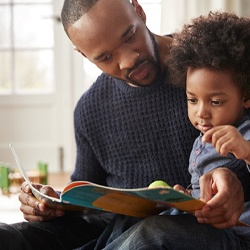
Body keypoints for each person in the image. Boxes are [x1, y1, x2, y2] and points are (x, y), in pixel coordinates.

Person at [0, 1, 249, 249]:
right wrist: (49, 205)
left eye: (129, 36)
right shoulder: (91, 109)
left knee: (151, 232)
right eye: (106, 57)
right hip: (119, 229)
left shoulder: (216, 66)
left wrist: (237, 184)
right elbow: (84, 200)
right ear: (83, 54)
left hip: (192, 232)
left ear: (138, 10)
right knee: (11, 236)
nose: (128, 60)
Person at [166, 11, 250, 248]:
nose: (201, 113)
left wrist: (245, 150)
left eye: (215, 102)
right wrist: (185, 197)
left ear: (246, 96)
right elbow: (203, 193)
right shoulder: (200, 142)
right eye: (192, 100)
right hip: (208, 228)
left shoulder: (244, 132)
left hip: (240, 236)